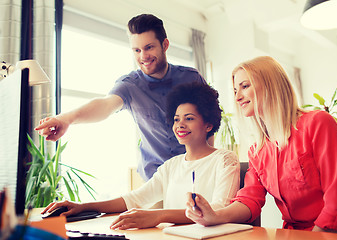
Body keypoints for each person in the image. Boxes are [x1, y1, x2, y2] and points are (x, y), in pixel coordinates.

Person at [185, 56, 337, 234]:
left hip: (332, 234)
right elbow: (250, 199)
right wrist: (214, 215)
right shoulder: (257, 150)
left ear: (270, 84)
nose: (237, 97)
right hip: (291, 234)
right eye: (235, 90)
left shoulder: (318, 123)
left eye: (245, 86)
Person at [41, 82, 240, 230]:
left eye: (189, 119)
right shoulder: (171, 166)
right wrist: (83, 206)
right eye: (176, 119)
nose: (180, 125)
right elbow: (135, 199)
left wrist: (158, 216)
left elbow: (217, 210)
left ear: (208, 124)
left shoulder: (224, 159)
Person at [34, 14, 208, 181]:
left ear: (165, 44)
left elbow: (209, 122)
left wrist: (207, 161)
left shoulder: (191, 78)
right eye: (137, 50)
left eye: (149, 47)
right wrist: (66, 119)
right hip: (156, 181)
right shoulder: (129, 85)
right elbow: (104, 105)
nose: (143, 56)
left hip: (195, 174)